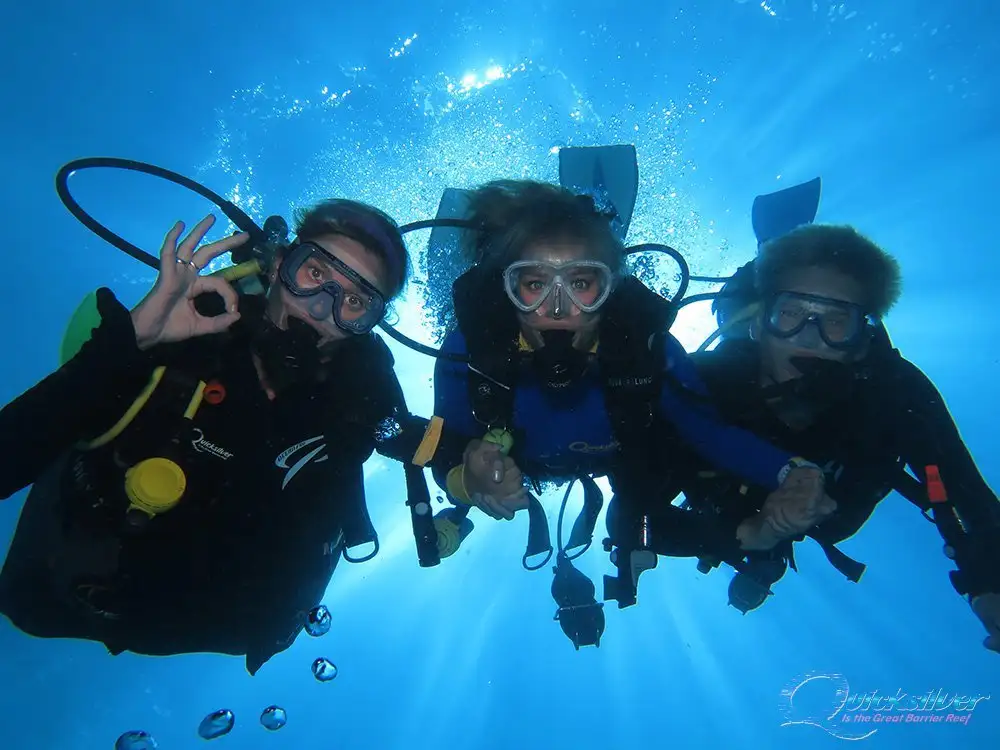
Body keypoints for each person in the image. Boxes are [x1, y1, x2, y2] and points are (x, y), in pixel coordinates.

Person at [0, 200, 488, 674]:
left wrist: (475, 471)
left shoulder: (360, 393)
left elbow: (413, 440)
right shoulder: (178, 338)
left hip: (230, 621)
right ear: (278, 265)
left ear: (365, 327)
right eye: (315, 274)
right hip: (66, 593)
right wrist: (126, 347)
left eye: (355, 302)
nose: (322, 309)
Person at [429, 179, 835, 645]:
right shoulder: (470, 351)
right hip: (539, 461)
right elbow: (447, 440)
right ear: (508, 290)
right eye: (534, 284)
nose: (558, 308)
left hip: (618, 456)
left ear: (610, 288)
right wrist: (465, 480)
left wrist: (791, 470)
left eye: (581, 284)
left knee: (636, 506)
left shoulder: (647, 352)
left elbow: (710, 432)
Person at [658, 223, 1000, 653]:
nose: (809, 334)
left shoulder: (892, 393)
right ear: (757, 324)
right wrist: (752, 532)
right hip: (731, 514)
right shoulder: (703, 385)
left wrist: (987, 578)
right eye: (791, 312)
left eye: (837, 320)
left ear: (863, 341)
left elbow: (965, 492)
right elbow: (636, 517)